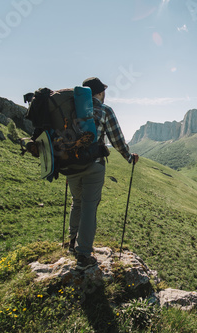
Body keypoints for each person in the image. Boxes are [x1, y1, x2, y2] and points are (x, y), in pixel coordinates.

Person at [68, 77, 139, 270]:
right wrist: (129, 157)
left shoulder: (70, 107)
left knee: (77, 202)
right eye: (103, 92)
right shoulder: (105, 110)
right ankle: (83, 255)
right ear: (99, 93)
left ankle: (71, 243)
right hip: (94, 164)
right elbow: (116, 138)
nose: (105, 95)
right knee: (90, 207)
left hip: (71, 165)